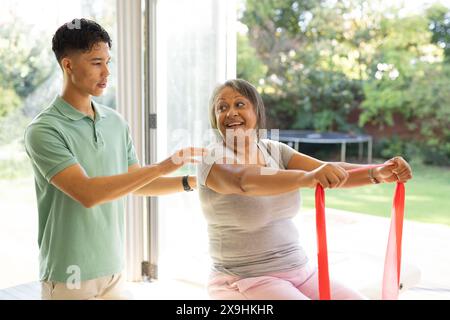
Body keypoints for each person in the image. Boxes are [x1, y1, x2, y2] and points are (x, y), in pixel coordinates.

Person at [24, 18, 204, 300]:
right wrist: (162, 166)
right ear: (68, 65)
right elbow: (88, 193)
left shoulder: (115, 122)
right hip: (69, 275)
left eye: (108, 61)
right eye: (96, 62)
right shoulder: (44, 130)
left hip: (112, 269)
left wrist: (194, 181)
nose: (107, 71)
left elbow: (137, 183)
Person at [197, 79, 413, 300]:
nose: (231, 112)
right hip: (243, 279)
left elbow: (329, 169)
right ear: (215, 119)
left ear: (257, 111)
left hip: (301, 270)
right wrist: (307, 178)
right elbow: (244, 180)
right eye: (222, 108)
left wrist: (376, 173)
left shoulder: (275, 151)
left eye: (240, 104)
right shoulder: (211, 158)